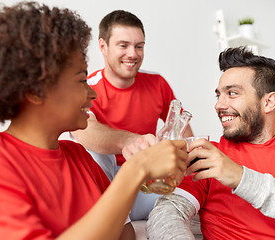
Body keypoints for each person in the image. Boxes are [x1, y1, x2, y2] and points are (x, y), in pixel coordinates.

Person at [0, 2, 188, 239]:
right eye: (81, 80)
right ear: (35, 90)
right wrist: (136, 168)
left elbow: (125, 234)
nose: (92, 93)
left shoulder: (79, 158)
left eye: (139, 46)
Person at [147, 47, 275, 240]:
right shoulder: (207, 155)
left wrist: (239, 177)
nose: (219, 105)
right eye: (218, 95)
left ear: (268, 102)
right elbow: (166, 216)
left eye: (232, 93)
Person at [71, 10, 193, 220]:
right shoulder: (88, 86)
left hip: (144, 181)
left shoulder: (157, 84)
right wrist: (130, 140)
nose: (133, 54)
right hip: (106, 180)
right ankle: (112, 218)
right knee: (92, 153)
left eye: (139, 46)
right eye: (123, 45)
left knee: (194, 187)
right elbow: (84, 132)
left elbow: (185, 137)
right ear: (103, 46)